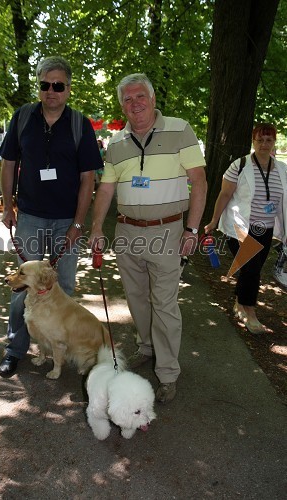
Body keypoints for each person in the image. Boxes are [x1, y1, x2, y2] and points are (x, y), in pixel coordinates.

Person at [90, 73, 207, 404]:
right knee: (136, 297)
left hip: (168, 230)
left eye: (140, 96)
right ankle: (147, 346)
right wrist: (97, 227)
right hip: (127, 231)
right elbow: (107, 188)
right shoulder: (115, 143)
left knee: (164, 302)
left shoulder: (179, 129)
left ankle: (168, 372)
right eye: (127, 99)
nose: (134, 103)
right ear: (121, 106)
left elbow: (199, 181)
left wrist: (192, 229)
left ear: (153, 99)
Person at [0, 55, 103, 378]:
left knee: (63, 288)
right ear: (39, 86)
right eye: (45, 84)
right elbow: (9, 164)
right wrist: (7, 205)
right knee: (23, 286)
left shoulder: (79, 124)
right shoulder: (22, 118)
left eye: (58, 85)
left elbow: (89, 177)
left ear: (68, 89)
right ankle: (15, 350)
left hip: (65, 221)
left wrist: (77, 223)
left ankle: (61, 349)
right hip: (29, 215)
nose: (51, 91)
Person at [205, 123, 287, 333]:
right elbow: (224, 195)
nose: (264, 144)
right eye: (260, 139)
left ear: (274, 142)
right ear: (254, 141)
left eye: (268, 140)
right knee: (251, 269)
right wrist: (214, 220)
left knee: (252, 269)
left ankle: (239, 303)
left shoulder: (282, 169)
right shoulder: (239, 165)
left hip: (266, 230)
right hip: (240, 227)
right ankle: (249, 312)